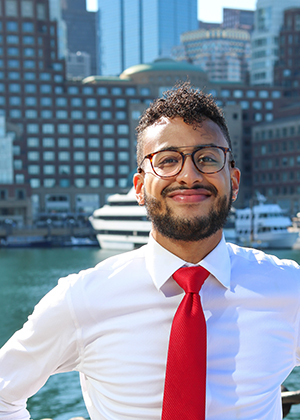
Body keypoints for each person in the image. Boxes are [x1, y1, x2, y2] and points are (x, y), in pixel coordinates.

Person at [0, 82, 299, 420]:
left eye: (207, 158)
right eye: (168, 160)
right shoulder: (81, 299)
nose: (189, 175)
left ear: (234, 180)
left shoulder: (289, 289)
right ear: (140, 187)